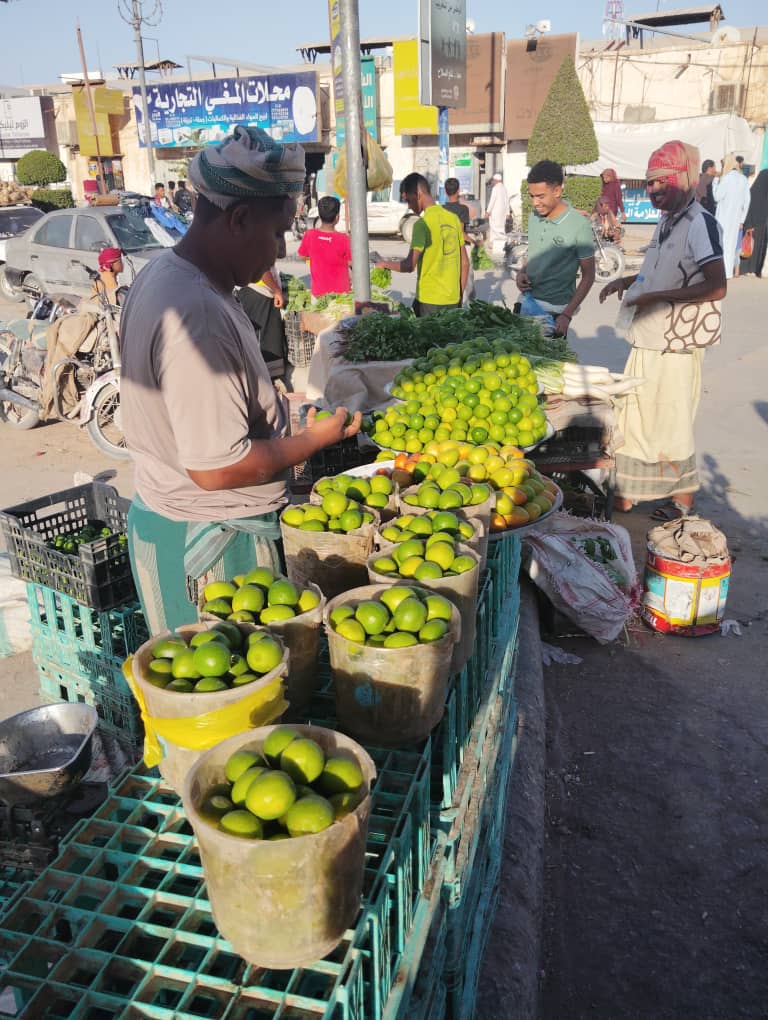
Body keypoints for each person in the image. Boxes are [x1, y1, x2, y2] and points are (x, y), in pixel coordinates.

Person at [120, 125, 361, 633]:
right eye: (277, 232)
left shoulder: (167, 273)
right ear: (240, 218)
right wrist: (312, 441)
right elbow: (218, 468)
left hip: (175, 520)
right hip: (212, 555)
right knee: (233, 701)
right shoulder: (196, 313)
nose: (279, 250)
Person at [599, 140, 726, 521]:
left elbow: (717, 285)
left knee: (670, 424)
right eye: (650, 183)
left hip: (675, 346)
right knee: (637, 418)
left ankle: (681, 504)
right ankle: (631, 493)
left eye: (661, 182)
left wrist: (656, 297)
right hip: (649, 338)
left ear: (685, 178)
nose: (653, 191)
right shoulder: (669, 221)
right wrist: (629, 281)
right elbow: (661, 269)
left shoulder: (700, 223)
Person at [516, 160, 596, 338]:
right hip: (525, 304)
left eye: (541, 196)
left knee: (548, 365)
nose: (535, 202)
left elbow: (589, 275)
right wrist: (522, 272)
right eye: (532, 196)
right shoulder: (533, 217)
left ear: (557, 191)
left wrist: (567, 315)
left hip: (554, 313)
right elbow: (535, 251)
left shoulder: (579, 225)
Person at [375, 173, 468, 317]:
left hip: (429, 301)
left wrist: (384, 264)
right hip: (453, 299)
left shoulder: (421, 224)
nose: (410, 207)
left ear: (418, 194)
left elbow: (409, 265)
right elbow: (465, 263)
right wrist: (459, 297)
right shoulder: (453, 219)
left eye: (409, 201)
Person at [297, 195, 352, 298]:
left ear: (320, 215)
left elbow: (302, 257)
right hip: (341, 295)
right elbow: (351, 262)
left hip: (318, 294)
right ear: (337, 217)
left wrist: (314, 260)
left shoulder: (309, 235)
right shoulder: (344, 239)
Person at [712, 153, 750, 279]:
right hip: (736, 220)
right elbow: (747, 201)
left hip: (722, 218)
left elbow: (717, 197)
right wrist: (742, 220)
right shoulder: (743, 179)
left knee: (720, 245)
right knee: (731, 246)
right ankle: (728, 273)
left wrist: (715, 182)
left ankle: (719, 274)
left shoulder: (726, 179)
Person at [443, 177, 475, 303]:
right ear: (458, 191)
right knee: (467, 279)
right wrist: (474, 242)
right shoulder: (462, 209)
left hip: (445, 247)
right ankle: (466, 304)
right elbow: (460, 233)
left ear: (445, 192)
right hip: (460, 247)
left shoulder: (442, 209)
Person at [740, 169, 768, 277]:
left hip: (752, 223)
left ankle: (748, 269)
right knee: (755, 246)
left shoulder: (754, 192)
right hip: (756, 224)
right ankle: (754, 269)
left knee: (753, 246)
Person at [486, 172, 509, 252]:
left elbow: (492, 200)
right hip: (502, 213)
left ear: (495, 180)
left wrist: (488, 211)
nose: (492, 181)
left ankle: (495, 244)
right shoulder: (504, 188)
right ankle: (502, 243)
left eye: (493, 180)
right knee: (501, 227)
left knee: (494, 227)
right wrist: (508, 213)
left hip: (495, 212)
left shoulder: (495, 188)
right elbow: (507, 201)